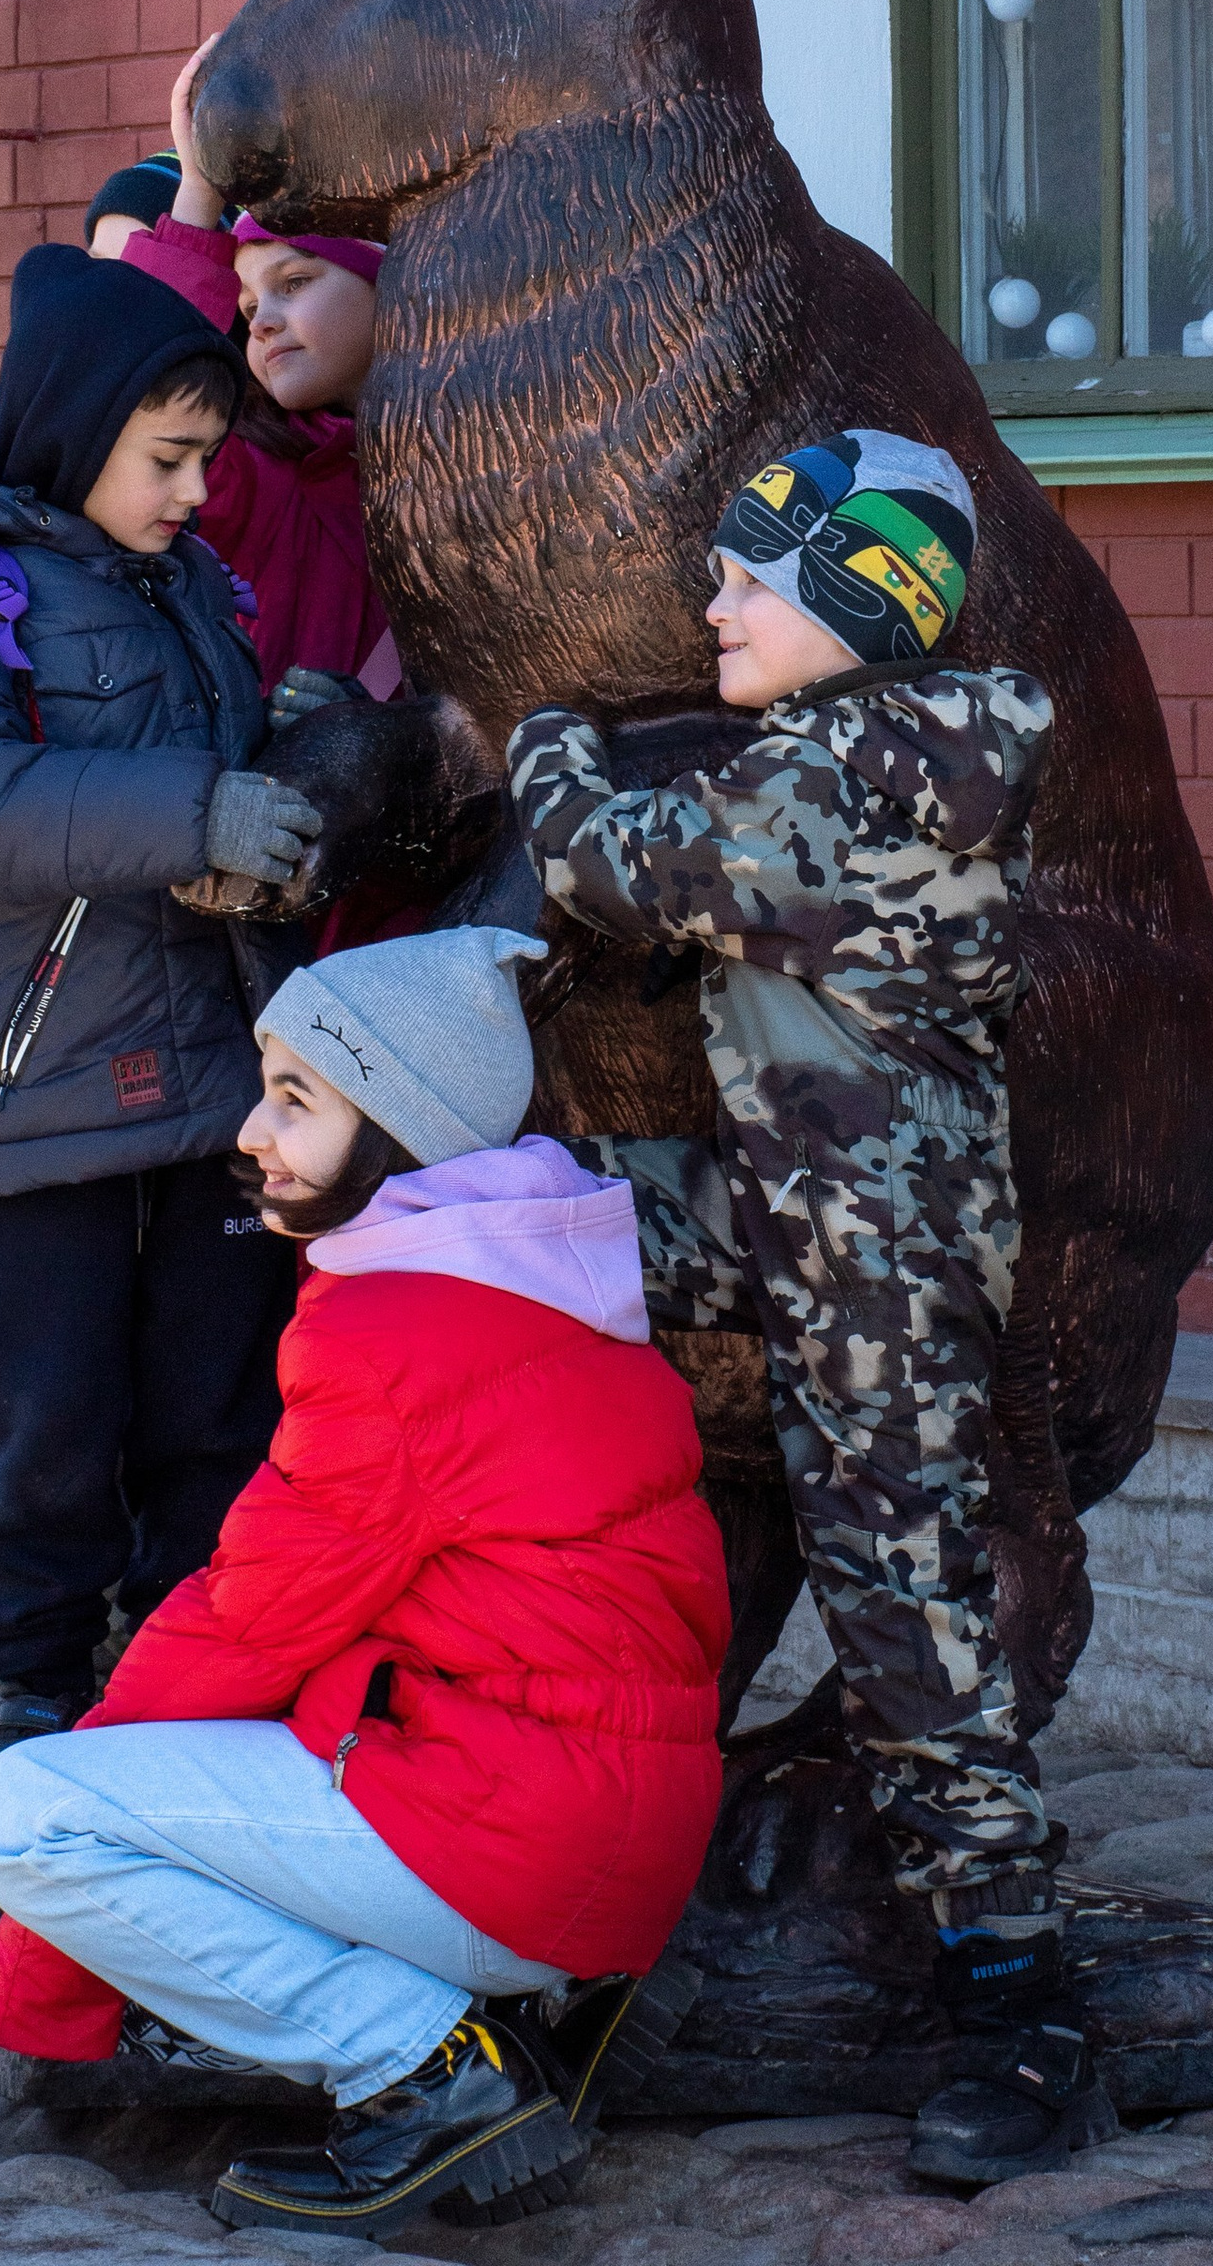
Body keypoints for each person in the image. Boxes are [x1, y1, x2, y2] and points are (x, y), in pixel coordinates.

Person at [506, 430, 1112, 2193]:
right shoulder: (850, 745)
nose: (712, 605)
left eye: (748, 580)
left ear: (856, 602)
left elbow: (618, 867)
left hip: (876, 1265)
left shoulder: (858, 779)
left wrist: (545, 743)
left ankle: (1023, 2002)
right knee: (510, 1229)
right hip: (791, 1205)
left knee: (901, 1602)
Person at [0, 923, 730, 2239]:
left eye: (298, 1100)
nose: (254, 1133)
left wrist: (42, 1956)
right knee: (286, 1723)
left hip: (528, 1839)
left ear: (401, 1131)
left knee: (33, 1817)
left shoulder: (394, 1335)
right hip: (616, 1834)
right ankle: (529, 2014)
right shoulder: (547, 1290)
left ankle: (430, 2070)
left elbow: (238, 1622)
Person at [0, 243, 330, 1752]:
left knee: (213, 1413)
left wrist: (293, 769)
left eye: (207, 460)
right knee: (50, 1428)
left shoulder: (195, 588)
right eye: (171, 458)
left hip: (210, 1080)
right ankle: (34, 1689)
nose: (198, 491)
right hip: (35, 1080)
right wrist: (198, 812)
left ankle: (183, 1682)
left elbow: (223, 781)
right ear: (76, 434)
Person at [115, 40, 395, 698]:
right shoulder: (240, 468)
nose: (261, 320)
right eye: (245, 305)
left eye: (293, 282)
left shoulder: (478, 450)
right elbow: (134, 388)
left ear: (387, 280)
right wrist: (197, 191)